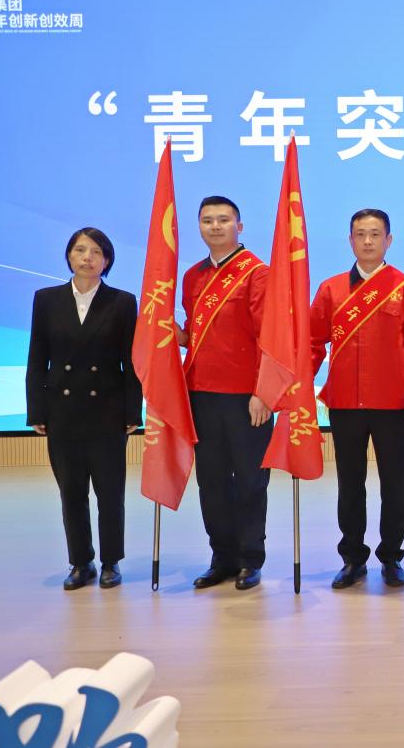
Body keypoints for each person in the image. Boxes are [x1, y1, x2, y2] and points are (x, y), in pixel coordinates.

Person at [310, 209, 404, 589]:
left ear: (388, 240)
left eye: (376, 234)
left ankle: (391, 557)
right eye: (360, 234)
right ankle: (352, 558)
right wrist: (298, 387)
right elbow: (313, 342)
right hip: (344, 402)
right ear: (350, 240)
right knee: (350, 484)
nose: (368, 241)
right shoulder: (330, 289)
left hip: (392, 402)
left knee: (394, 484)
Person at [26, 227, 141, 590]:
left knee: (110, 494)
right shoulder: (46, 299)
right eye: (80, 250)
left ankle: (111, 562)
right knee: (71, 493)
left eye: (95, 252)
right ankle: (80, 562)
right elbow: (37, 358)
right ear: (69, 256)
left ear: (107, 260)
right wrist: (36, 411)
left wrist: (133, 412)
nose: (87, 257)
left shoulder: (122, 302)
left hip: (107, 411)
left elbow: (131, 362)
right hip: (62, 411)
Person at [179, 196, 272, 591]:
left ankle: (250, 559)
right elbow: (195, 335)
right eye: (207, 221)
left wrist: (264, 392)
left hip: (247, 397)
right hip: (201, 393)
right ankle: (222, 557)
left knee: (250, 481)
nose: (215, 227)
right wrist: (171, 334)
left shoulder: (258, 273)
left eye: (223, 220)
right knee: (212, 482)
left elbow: (270, 338)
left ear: (239, 226)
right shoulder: (192, 276)